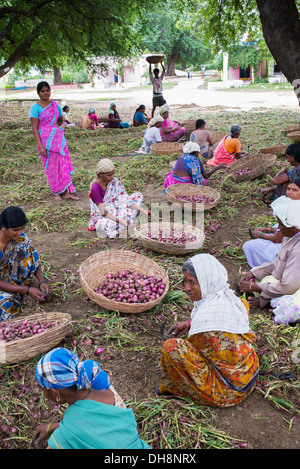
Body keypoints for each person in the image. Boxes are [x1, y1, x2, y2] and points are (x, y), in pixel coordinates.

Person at [157, 254, 259, 407]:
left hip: (228, 391)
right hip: (249, 375)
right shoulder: (231, 299)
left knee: (171, 349)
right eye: (185, 281)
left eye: (192, 282)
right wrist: (190, 323)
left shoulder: (206, 327)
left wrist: (194, 328)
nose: (186, 288)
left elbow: (193, 350)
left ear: (206, 282)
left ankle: (171, 388)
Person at [32, 347, 151, 449]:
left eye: (43, 391)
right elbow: (96, 425)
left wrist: (60, 431)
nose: (45, 395)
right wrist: (55, 426)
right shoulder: (105, 389)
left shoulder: (70, 428)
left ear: (54, 392)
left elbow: (81, 427)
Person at [239, 196, 300, 325]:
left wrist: (255, 288)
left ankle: (268, 302)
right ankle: (267, 298)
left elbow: (288, 286)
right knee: (259, 277)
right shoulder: (289, 237)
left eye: (282, 224)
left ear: (294, 226)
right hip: (289, 280)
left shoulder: (297, 249)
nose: (279, 228)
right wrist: (253, 272)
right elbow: (276, 265)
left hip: (294, 286)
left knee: (288, 306)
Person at [0, 206, 52, 321]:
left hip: (8, 275)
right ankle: (18, 290)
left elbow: (32, 257)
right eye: (15, 230)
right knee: (4, 305)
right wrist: (26, 290)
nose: (20, 233)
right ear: (3, 227)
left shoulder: (19, 237)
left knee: (24, 247)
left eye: (22, 229)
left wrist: (41, 281)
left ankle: (17, 288)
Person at [29, 81, 78, 202]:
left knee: (63, 164)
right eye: (43, 91)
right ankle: (57, 192)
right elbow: (34, 128)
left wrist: (53, 129)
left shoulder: (55, 105)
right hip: (45, 142)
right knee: (52, 167)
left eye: (47, 90)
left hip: (58, 140)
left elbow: (60, 120)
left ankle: (67, 192)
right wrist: (40, 146)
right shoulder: (35, 108)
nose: (46, 93)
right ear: (38, 93)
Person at [243, 178, 300, 268]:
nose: (289, 192)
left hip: (294, 250)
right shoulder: (292, 204)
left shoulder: (295, 210)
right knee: (276, 226)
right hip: (293, 239)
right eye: (289, 189)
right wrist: (267, 229)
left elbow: (277, 239)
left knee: (249, 246)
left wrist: (260, 234)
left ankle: (276, 265)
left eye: (294, 190)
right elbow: (286, 230)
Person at [88, 159, 147, 237]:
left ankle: (125, 223)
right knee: (109, 225)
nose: (112, 177)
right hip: (103, 216)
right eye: (109, 175)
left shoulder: (114, 182)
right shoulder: (95, 188)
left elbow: (125, 200)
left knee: (138, 196)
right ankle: (124, 225)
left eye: (113, 174)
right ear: (100, 174)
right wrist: (122, 222)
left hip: (116, 208)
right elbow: (103, 213)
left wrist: (142, 210)